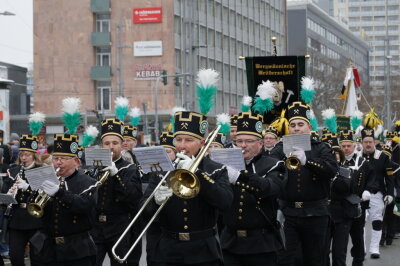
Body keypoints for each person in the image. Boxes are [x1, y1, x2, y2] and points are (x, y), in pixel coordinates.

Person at [144, 110, 233, 266]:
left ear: (202, 143)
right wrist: (155, 201)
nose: (182, 145)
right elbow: (143, 210)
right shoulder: (162, 170)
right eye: (178, 140)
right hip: (168, 250)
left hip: (204, 251)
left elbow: (225, 202)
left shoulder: (216, 169)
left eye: (189, 140)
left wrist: (197, 174)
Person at [273, 102, 338, 266]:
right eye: (292, 125)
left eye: (300, 124)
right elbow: (269, 168)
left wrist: (307, 161)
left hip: (315, 213)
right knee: (286, 259)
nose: (296, 128)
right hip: (289, 213)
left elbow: (331, 170)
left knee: (315, 259)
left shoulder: (321, 147)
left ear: (309, 127)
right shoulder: (280, 147)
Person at [220, 112, 287, 266]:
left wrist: (240, 177)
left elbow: (270, 188)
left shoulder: (273, 164)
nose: (243, 145)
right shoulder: (226, 164)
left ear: (261, 143)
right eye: (239, 141)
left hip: (261, 244)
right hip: (230, 242)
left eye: (249, 141)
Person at [29, 133, 98, 265]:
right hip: (49, 250)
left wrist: (60, 193)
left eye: (64, 158)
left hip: (77, 250)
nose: (58, 162)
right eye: (55, 158)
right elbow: (33, 210)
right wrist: (35, 194)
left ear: (76, 161)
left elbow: (85, 205)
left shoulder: (88, 182)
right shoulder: (47, 178)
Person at [91, 118, 143, 266]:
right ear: (102, 146)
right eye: (107, 144)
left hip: (119, 227)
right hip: (96, 227)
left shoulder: (130, 168)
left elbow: (133, 198)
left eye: (115, 143)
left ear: (121, 145)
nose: (111, 147)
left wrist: (116, 175)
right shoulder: (95, 167)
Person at [1, 134, 43, 266]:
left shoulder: (40, 170)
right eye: (21, 155)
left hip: (35, 219)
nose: (24, 158)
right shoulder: (14, 171)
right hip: (17, 219)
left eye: (27, 155)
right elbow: (4, 193)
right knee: (15, 257)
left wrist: (28, 187)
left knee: (37, 257)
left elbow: (44, 194)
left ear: (34, 155)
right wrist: (9, 194)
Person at [339, 130, 375, 266]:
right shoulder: (336, 161)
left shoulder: (362, 162)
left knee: (357, 237)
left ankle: (358, 261)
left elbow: (372, 178)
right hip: (340, 207)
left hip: (357, 205)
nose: (346, 148)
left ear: (354, 146)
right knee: (340, 241)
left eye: (349, 145)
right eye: (343, 146)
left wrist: (367, 190)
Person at [360, 127, 394, 259]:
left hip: (377, 194)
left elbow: (389, 177)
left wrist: (390, 193)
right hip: (360, 195)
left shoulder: (383, 157)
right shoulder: (358, 156)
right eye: (365, 142)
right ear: (362, 142)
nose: (368, 144)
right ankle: (361, 248)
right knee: (360, 222)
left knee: (377, 221)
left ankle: (374, 248)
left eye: (370, 141)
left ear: (374, 142)